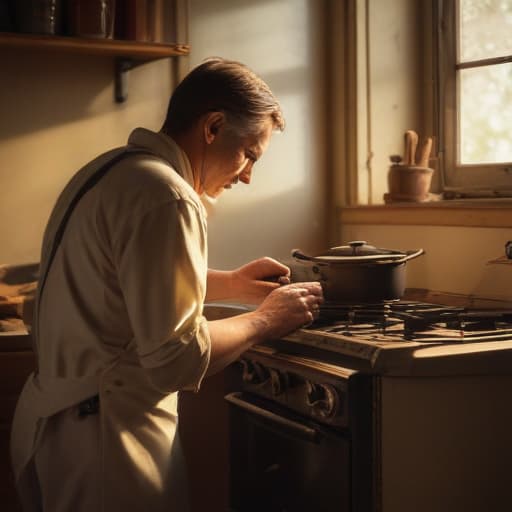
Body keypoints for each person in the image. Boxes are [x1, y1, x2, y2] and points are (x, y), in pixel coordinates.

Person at [10, 57, 323, 511]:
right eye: (249, 154)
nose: (249, 175)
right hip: (107, 444)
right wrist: (266, 321)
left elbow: (122, 281)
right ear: (213, 126)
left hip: (59, 427)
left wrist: (233, 284)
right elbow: (175, 359)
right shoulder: (169, 195)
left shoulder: (113, 171)